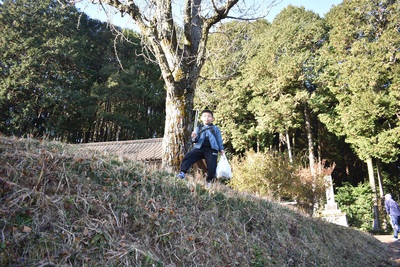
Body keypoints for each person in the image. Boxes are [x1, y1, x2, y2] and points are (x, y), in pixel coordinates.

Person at [176, 109, 225, 187]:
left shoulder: (215, 128)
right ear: (201, 118)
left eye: (209, 116)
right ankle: (182, 173)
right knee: (189, 156)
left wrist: (221, 149)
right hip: (199, 147)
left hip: (211, 149)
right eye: (205, 116)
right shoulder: (198, 128)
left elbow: (219, 139)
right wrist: (194, 137)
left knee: (212, 165)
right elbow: (195, 140)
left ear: (212, 119)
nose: (207, 118)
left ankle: (210, 181)